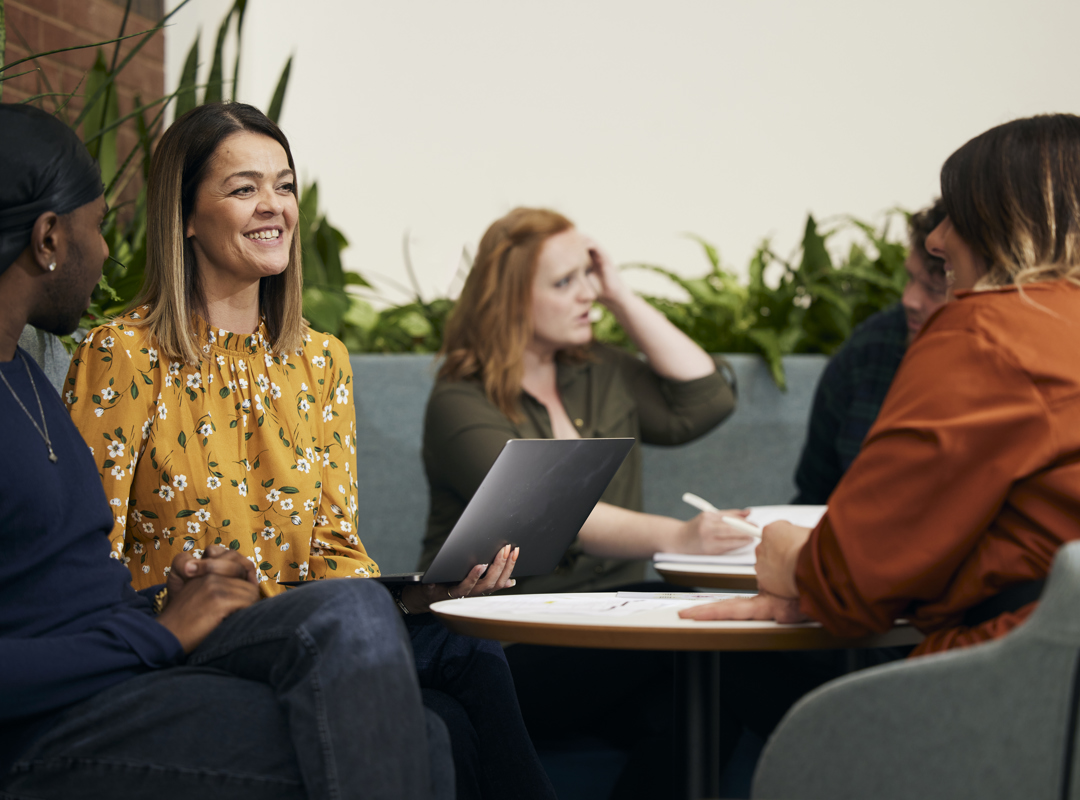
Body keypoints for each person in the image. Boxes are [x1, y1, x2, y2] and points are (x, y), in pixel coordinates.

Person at [62, 102, 554, 800]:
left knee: (454, 688)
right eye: (244, 189)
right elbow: (89, 559)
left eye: (284, 185)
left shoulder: (320, 361)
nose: (274, 207)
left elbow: (333, 553)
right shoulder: (123, 355)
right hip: (197, 636)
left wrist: (424, 596)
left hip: (327, 629)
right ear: (185, 216)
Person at [682, 112, 1080, 771]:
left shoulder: (987, 332)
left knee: (797, 740)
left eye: (957, 212)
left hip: (1015, 696)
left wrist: (789, 555)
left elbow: (849, 586)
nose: (939, 238)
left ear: (1008, 218)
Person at [420, 207, 747, 799]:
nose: (586, 294)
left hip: (609, 636)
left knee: (716, 693)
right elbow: (548, 513)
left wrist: (619, 293)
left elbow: (707, 399)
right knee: (695, 624)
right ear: (512, 298)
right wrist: (677, 537)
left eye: (589, 275)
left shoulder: (600, 371)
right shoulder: (460, 402)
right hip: (516, 644)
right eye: (565, 282)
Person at [792, 200, 948, 504]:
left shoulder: (1020, 372)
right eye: (911, 279)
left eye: (933, 289)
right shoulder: (871, 349)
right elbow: (814, 495)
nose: (909, 299)